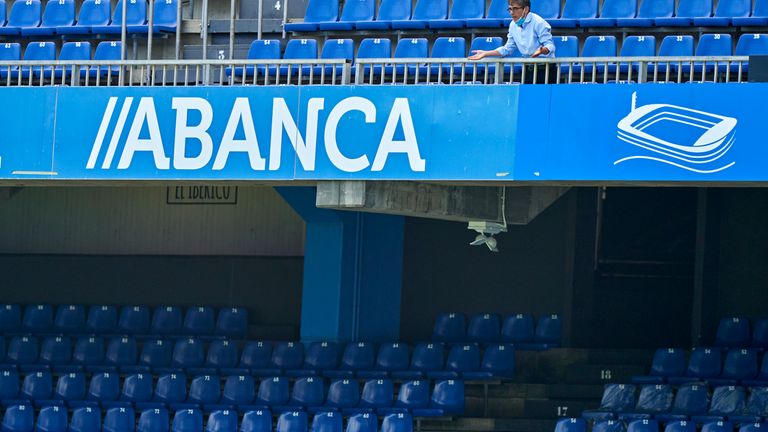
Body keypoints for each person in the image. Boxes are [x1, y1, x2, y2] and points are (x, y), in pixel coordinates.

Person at [468, 0, 556, 83]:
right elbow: (507, 49)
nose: (511, 13)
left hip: (545, 68)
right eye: (510, 9)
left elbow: (550, 46)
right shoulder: (513, 25)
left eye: (515, 9)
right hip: (528, 67)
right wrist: (486, 53)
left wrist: (542, 50)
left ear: (526, 9)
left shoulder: (539, 22)